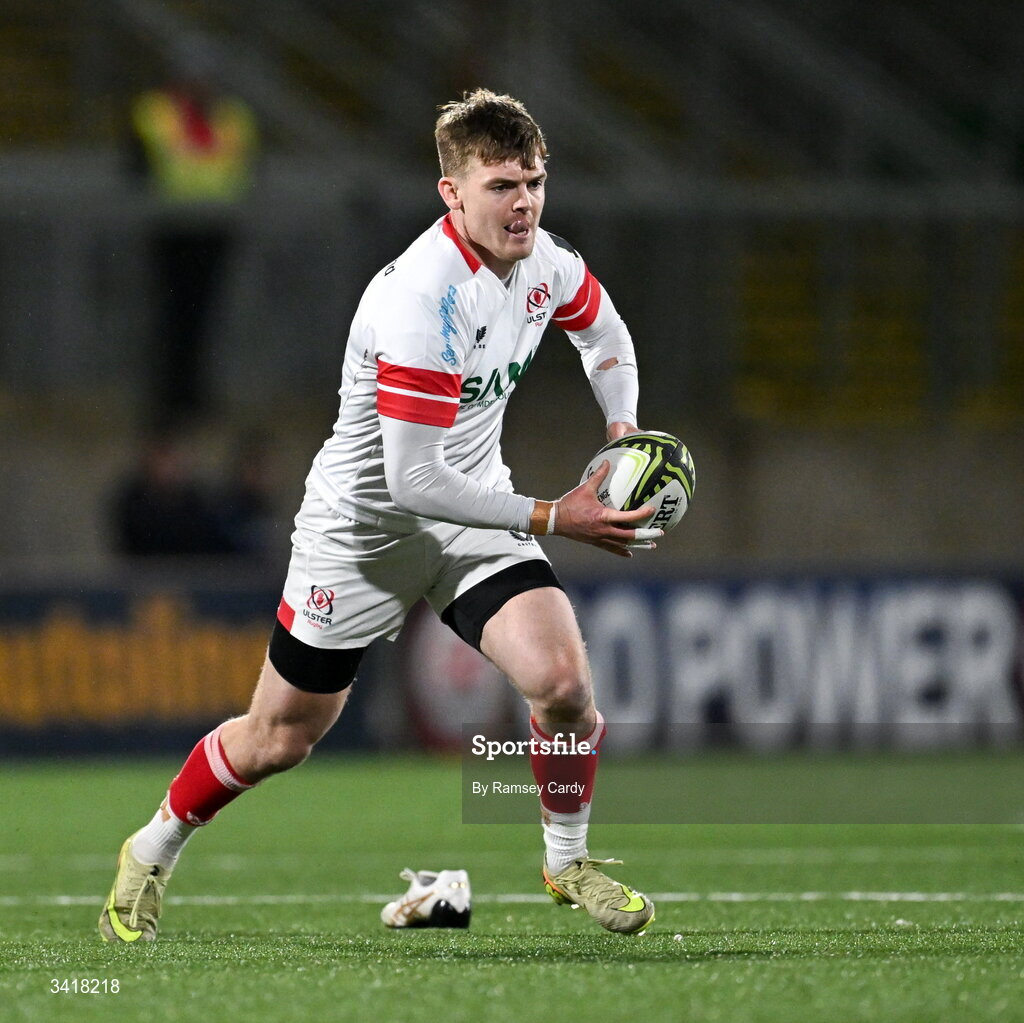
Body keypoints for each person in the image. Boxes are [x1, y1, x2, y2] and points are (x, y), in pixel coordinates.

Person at [99, 89, 661, 943]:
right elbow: (410, 480)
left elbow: (605, 331)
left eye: (535, 182)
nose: (525, 203)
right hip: (360, 534)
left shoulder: (544, 261)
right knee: (279, 738)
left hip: (472, 518)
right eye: (503, 185)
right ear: (452, 192)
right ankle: (151, 847)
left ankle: (567, 859)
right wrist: (557, 515)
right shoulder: (422, 300)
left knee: (564, 688)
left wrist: (621, 430)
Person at [129, 36, 258, 426]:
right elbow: (137, 168)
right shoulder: (155, 114)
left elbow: (244, 172)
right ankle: (170, 400)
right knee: (171, 318)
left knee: (203, 318)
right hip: (171, 232)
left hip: (213, 234)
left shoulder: (234, 119)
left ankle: (194, 400)